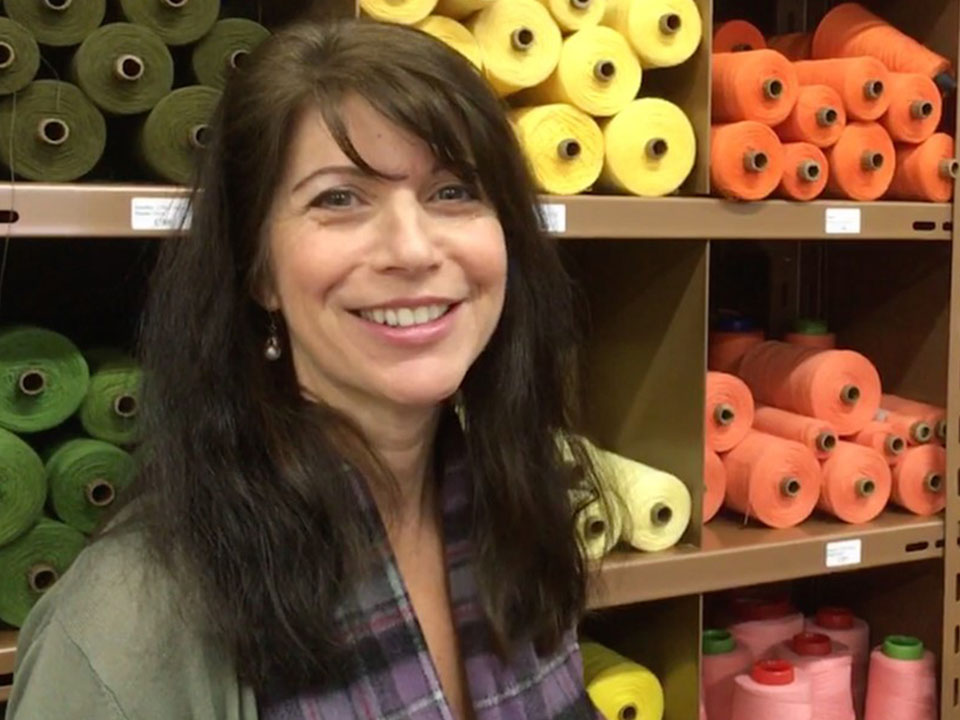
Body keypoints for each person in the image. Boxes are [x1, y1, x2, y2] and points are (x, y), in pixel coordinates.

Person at [8, 17, 606, 720]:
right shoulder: (127, 627)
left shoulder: (515, 506)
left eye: (453, 192)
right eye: (339, 199)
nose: (412, 250)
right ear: (257, 270)